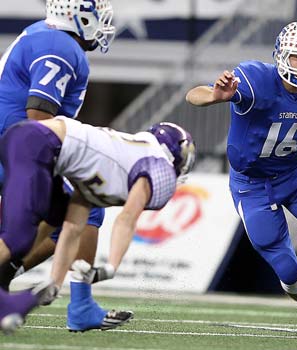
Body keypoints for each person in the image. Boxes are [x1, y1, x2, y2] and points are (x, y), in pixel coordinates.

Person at [186, 21, 297, 338]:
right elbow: (192, 96)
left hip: (294, 176)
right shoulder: (256, 81)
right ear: (282, 56)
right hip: (251, 186)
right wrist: (215, 95)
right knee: (288, 272)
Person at [0, 0, 130, 332]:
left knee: (63, 217)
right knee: (88, 202)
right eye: (98, 17)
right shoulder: (60, 45)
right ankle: (82, 306)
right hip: (16, 144)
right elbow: (39, 115)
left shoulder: (47, 36)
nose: (103, 25)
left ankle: (8, 282)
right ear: (81, 17)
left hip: (15, 141)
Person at [0, 118, 196, 334]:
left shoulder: (111, 168)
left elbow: (73, 228)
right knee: (19, 237)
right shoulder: (157, 165)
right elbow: (127, 218)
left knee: (56, 214)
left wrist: (54, 283)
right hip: (36, 143)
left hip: (36, 143)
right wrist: (111, 267)